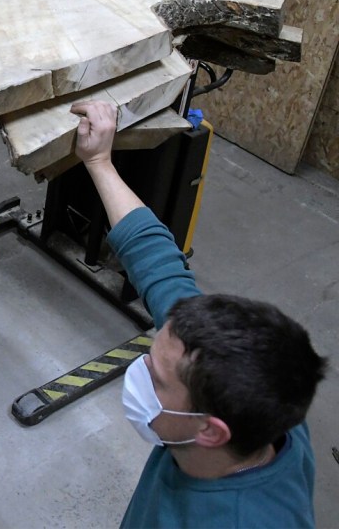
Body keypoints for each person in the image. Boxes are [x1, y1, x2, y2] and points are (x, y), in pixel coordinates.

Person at [71, 100, 327, 528]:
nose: (139, 375)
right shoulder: (267, 413)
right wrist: (99, 161)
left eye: (157, 381)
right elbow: (156, 261)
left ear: (210, 430)